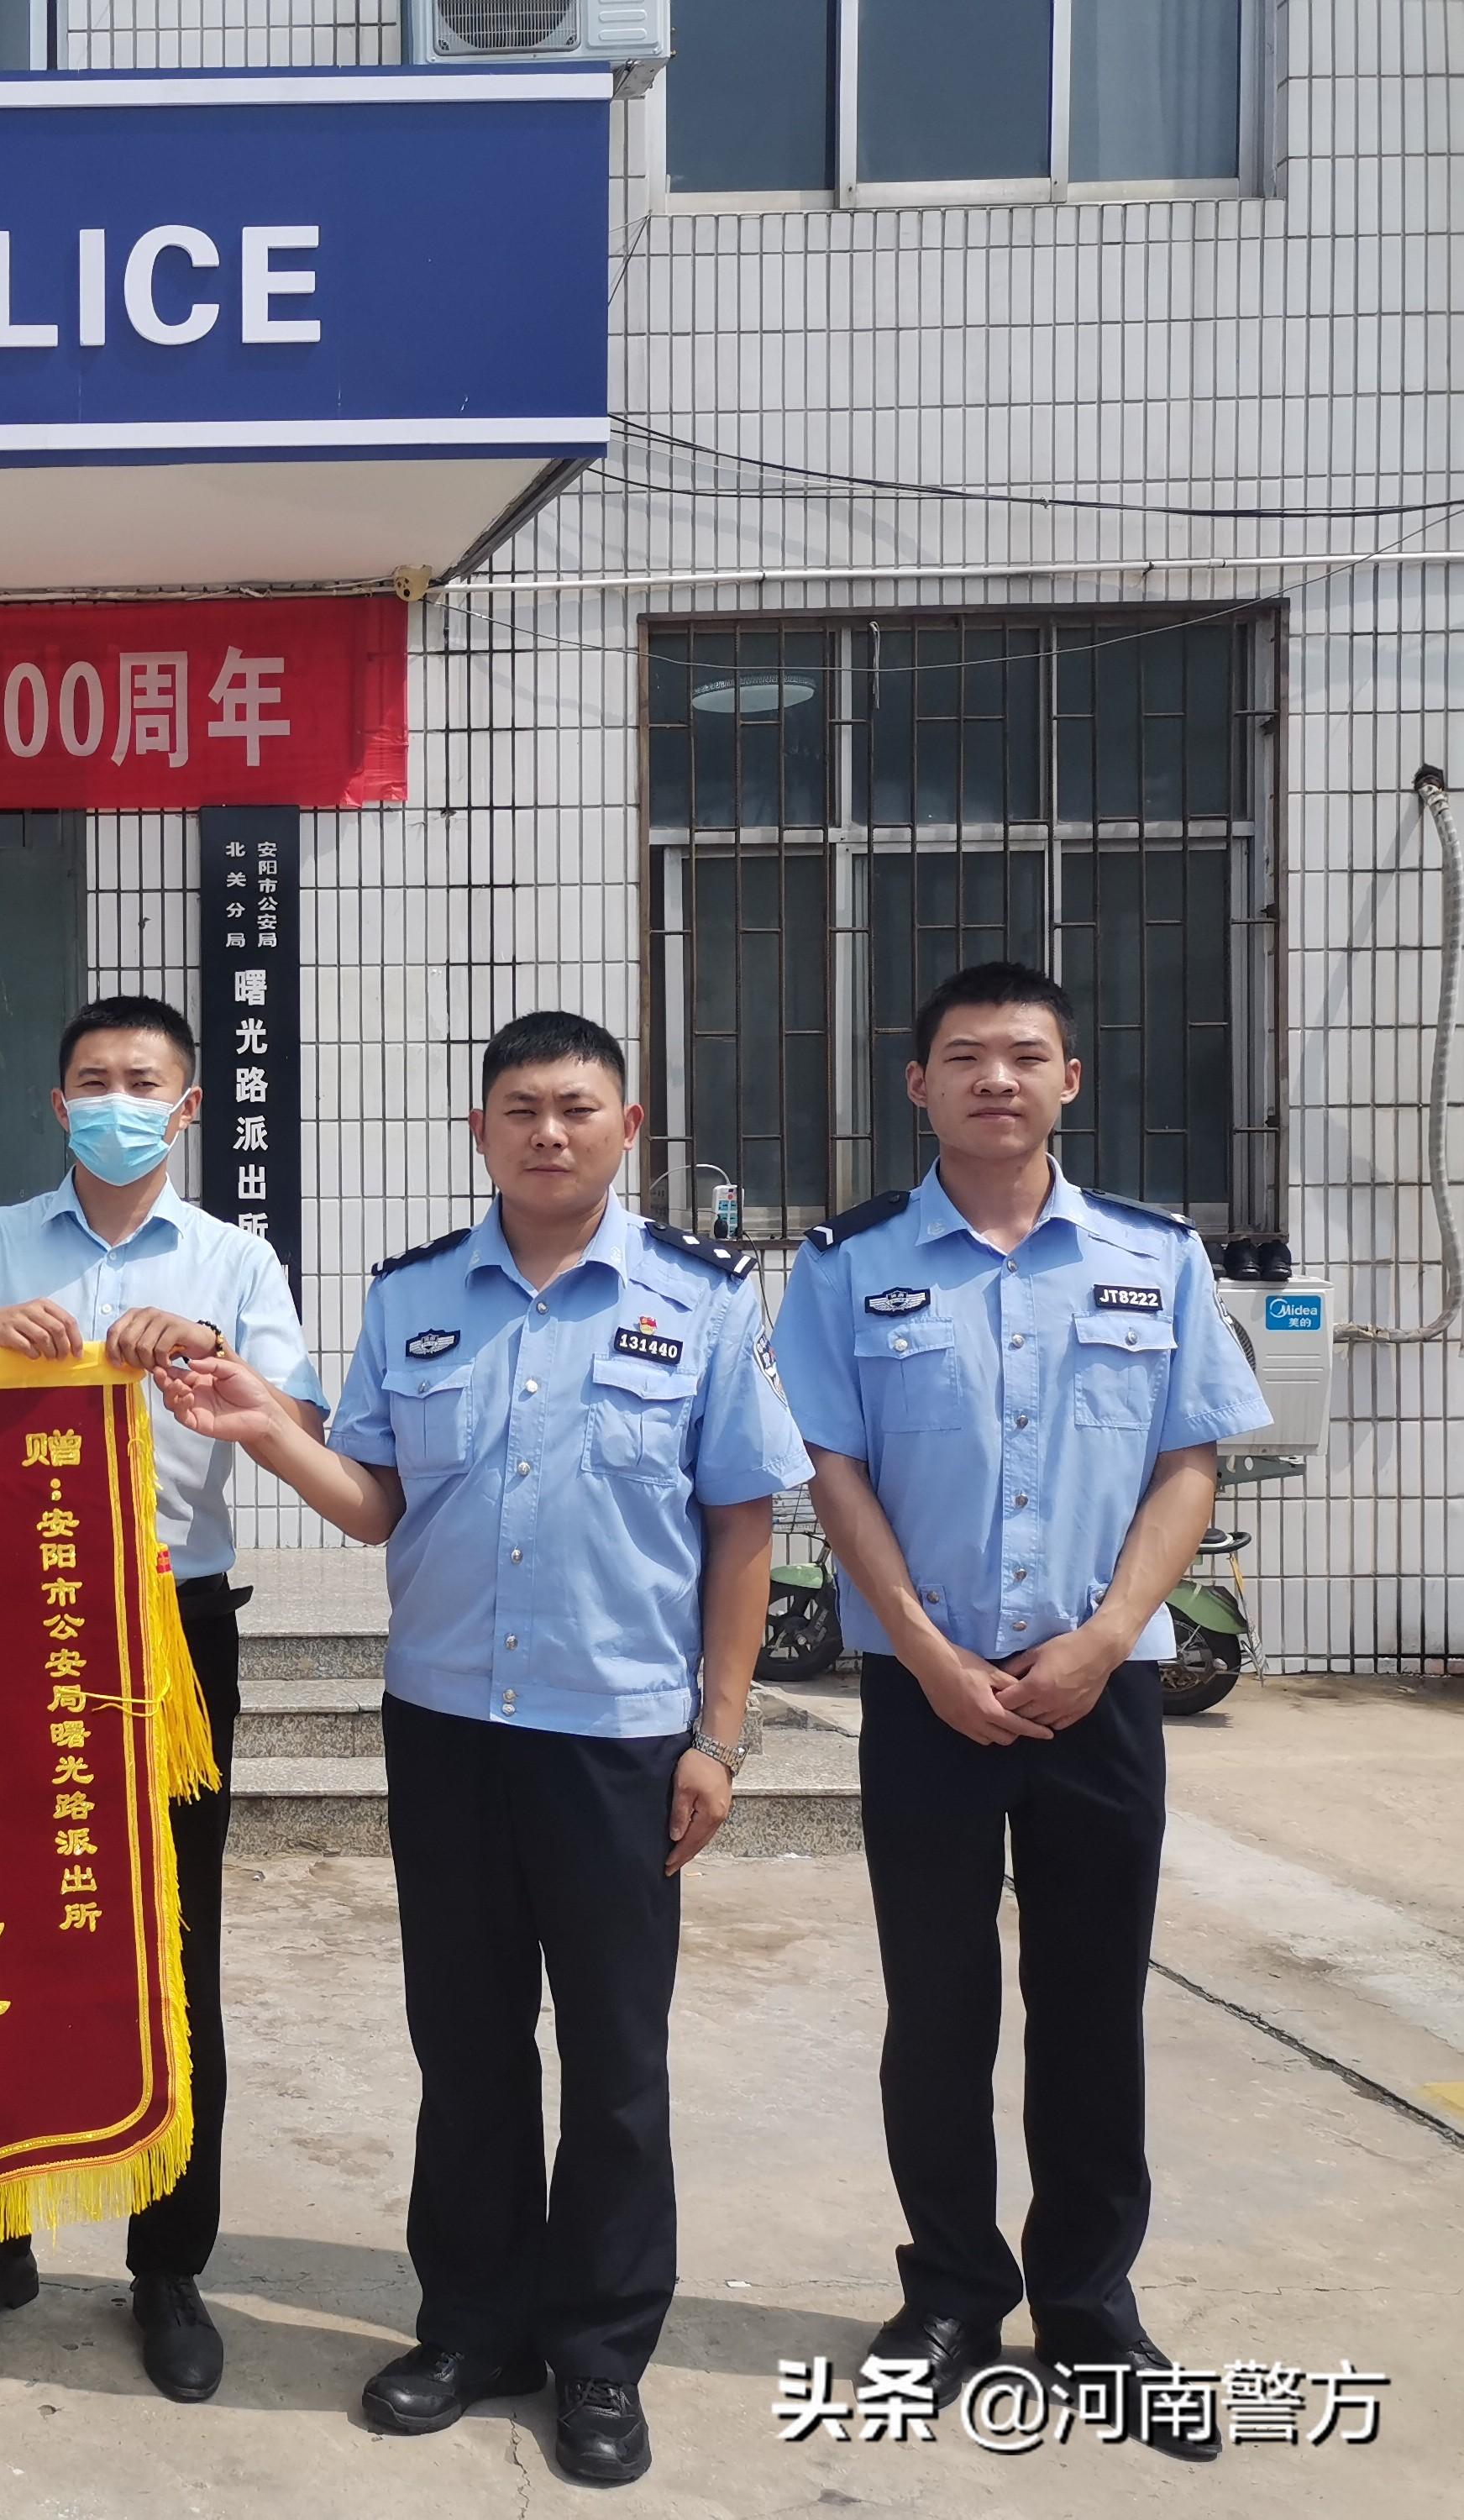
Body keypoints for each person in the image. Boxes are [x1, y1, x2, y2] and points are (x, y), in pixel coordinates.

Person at [156, 1009, 803, 2486]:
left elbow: (743, 1522)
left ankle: (598, 2358)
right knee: (465, 2046)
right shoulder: (417, 1300)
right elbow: (373, 1502)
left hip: (620, 1738)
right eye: (520, 1108)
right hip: (446, 1726)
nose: (549, 1132)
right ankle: (470, 2325)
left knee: (617, 2063)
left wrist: (720, 1732)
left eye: (578, 1107)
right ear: (480, 1133)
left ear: (627, 1130)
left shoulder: (699, 1305)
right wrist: (265, 1424)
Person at [774, 962, 1265, 2459]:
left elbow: (1192, 1457)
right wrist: (922, 1652)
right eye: (965, 1057)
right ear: (914, 1086)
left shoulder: (1152, 1257)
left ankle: (1091, 2312)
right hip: (927, 1696)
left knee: (1092, 2005)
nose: (997, 1078)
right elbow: (830, 1470)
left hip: (1096, 1692)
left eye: (1027, 1056)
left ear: (1070, 1082)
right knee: (938, 2006)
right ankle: (951, 2298)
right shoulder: (848, 1266)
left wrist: (1113, 1633)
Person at [0, 993, 326, 2404]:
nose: (117, 1101)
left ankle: (168, 2262)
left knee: (167, 1947)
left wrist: (212, 1355)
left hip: (168, 1631)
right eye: (93, 1079)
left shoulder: (236, 1259)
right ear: (57, 1102)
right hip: (1, 1626)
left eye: (144, 1081)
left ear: (189, 1106)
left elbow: (300, 1433)